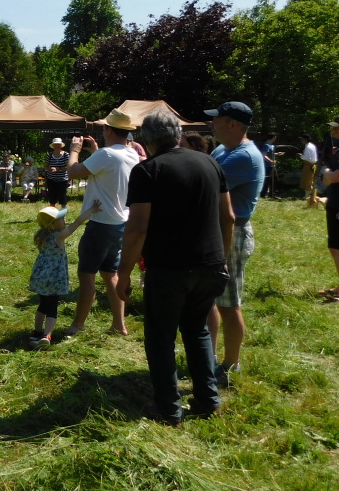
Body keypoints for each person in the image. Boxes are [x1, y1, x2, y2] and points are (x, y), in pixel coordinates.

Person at [116, 109, 233, 424]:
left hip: (168, 268)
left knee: (161, 337)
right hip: (210, 264)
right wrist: (222, 257)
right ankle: (208, 399)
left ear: (146, 140)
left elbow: (138, 227)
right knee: (197, 330)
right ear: (178, 134)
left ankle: (168, 409)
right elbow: (229, 217)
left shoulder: (147, 170)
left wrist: (123, 273)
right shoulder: (211, 163)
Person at [204, 101, 264, 388]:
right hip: (217, 231)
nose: (212, 123)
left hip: (233, 234)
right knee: (210, 300)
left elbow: (204, 185)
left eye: (217, 119)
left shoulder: (244, 157)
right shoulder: (222, 151)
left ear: (232, 124)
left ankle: (230, 366)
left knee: (228, 304)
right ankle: (209, 357)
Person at [65, 108, 141, 337]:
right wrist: (96, 152)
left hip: (100, 223)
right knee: (110, 274)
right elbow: (110, 170)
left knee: (86, 274)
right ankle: (119, 324)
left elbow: (73, 172)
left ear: (109, 130)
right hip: (120, 223)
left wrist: (74, 151)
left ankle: (77, 325)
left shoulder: (106, 155)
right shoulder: (131, 153)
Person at [26, 201, 101, 349]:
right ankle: (47, 335)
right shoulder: (58, 237)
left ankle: (36, 332)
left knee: (42, 305)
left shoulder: (42, 237)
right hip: (54, 279)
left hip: (41, 277)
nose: (64, 220)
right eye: (61, 219)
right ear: (52, 225)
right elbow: (77, 223)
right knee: (52, 307)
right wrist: (91, 210)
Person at [318, 120, 339, 301]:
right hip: (334, 204)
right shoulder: (337, 151)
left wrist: (325, 170)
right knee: (334, 246)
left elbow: (333, 177)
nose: (333, 130)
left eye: (336, 128)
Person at [45, 138, 69, 206]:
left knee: (62, 198)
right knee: (52, 198)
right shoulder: (49, 155)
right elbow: (45, 167)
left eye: (58, 144)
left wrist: (59, 169)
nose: (57, 146)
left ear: (61, 145)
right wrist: (50, 169)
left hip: (63, 180)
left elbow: (69, 167)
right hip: (51, 179)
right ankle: (52, 211)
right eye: (55, 144)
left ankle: (63, 212)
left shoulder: (66, 155)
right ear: (53, 146)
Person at [300, 133, 318, 207]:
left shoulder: (308, 147)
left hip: (309, 164)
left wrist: (301, 156)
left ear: (305, 140)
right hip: (310, 164)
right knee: (307, 179)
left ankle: (307, 196)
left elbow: (308, 158)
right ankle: (307, 195)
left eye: (302, 139)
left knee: (308, 180)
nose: (301, 140)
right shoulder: (311, 146)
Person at [260, 133, 277, 198]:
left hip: (272, 165)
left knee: (274, 179)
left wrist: (277, 154)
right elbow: (264, 155)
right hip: (267, 166)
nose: (275, 138)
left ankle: (272, 194)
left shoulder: (271, 145)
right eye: (275, 137)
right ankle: (263, 194)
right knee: (267, 180)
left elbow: (270, 153)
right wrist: (271, 161)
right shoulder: (266, 145)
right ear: (272, 137)